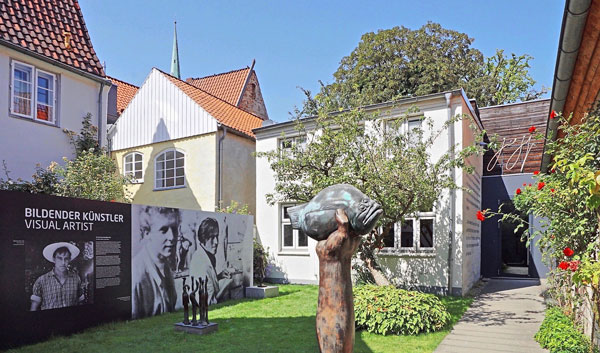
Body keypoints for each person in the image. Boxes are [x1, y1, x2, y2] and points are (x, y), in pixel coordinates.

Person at [132, 206, 179, 319]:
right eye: (163, 230)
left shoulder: (164, 266)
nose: (172, 237)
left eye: (174, 229)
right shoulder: (136, 275)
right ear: (147, 233)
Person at [188, 217, 234, 305]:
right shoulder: (201, 263)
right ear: (203, 238)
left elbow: (208, 281)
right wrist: (227, 284)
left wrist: (219, 276)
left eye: (217, 236)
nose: (216, 242)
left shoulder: (205, 256)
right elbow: (209, 302)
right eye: (212, 237)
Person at [30, 242, 84, 311]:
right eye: (59, 258)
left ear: (69, 259)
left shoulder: (76, 279)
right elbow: (33, 308)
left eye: (66, 259)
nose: (63, 262)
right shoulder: (41, 281)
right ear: (54, 259)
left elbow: (81, 303)